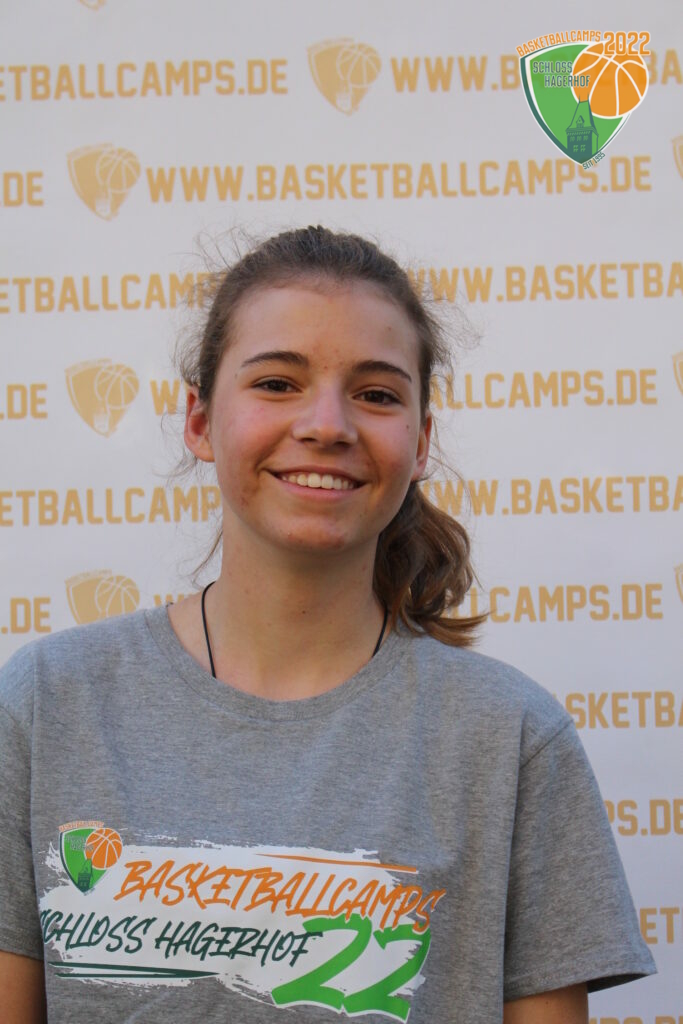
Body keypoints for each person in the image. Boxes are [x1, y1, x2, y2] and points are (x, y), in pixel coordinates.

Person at [0, 226, 655, 1023]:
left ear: (420, 441)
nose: (327, 424)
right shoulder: (46, 706)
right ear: (199, 421)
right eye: (277, 382)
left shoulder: (509, 739)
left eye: (376, 394)